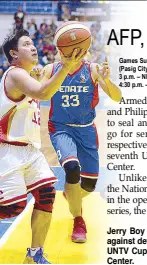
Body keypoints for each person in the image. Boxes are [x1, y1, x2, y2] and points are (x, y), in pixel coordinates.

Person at [0, 29, 86, 264]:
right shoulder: (15, 75)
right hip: (5, 148)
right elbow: (43, 92)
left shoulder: (28, 75)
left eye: (33, 44)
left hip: (30, 150)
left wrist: (67, 62)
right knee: (13, 207)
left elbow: (44, 84)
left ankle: (34, 255)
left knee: (46, 194)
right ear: (14, 53)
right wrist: (64, 65)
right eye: (27, 44)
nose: (33, 47)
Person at [39, 50, 122, 243]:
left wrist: (107, 81)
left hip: (86, 130)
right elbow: (40, 92)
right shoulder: (51, 69)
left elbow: (117, 97)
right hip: (61, 128)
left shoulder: (93, 70)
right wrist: (37, 76)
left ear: (83, 50)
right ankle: (78, 220)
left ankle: (71, 194)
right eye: (66, 48)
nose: (71, 52)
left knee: (88, 186)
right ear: (60, 50)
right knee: (72, 168)